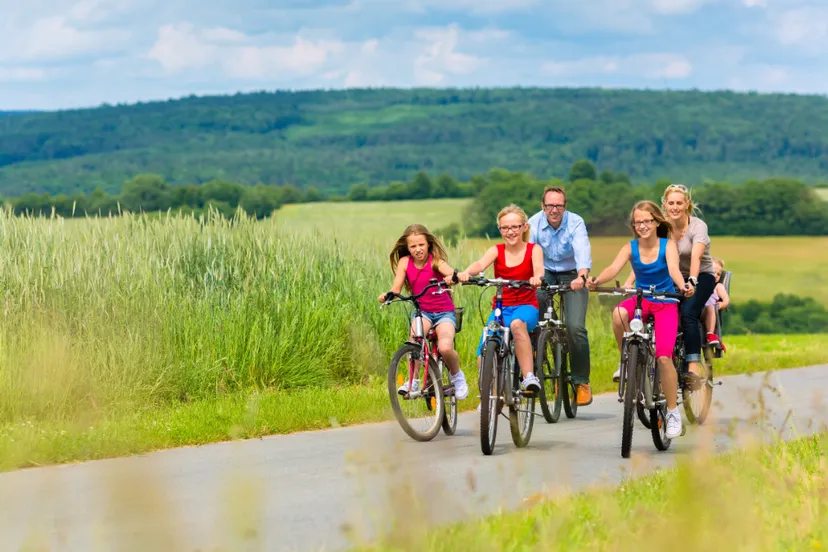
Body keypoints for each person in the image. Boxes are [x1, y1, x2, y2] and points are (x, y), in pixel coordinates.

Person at [587, 200, 694, 439]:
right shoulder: (630, 247)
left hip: (665, 302)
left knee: (664, 357)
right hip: (641, 300)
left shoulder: (668, 246)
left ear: (657, 222)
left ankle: (673, 413)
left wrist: (683, 286)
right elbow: (614, 269)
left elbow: (675, 270)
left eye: (647, 221)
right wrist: (597, 281)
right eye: (638, 222)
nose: (643, 226)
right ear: (633, 226)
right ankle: (625, 360)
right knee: (618, 314)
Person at [457, 204, 544, 395]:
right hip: (501, 307)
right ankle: (491, 395)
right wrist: (466, 273)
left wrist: (536, 277)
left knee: (516, 325)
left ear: (524, 227)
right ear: (499, 230)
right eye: (505, 228)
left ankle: (529, 376)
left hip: (526, 306)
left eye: (515, 227)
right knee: (485, 346)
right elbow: (480, 264)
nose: (510, 232)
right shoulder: (496, 250)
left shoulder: (533, 249)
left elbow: (538, 267)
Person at [379, 224, 469, 400]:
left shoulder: (436, 261)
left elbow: (450, 274)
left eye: (421, 245)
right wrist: (388, 296)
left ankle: (457, 376)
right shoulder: (405, 263)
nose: (418, 249)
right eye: (413, 246)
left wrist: (453, 278)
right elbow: (396, 287)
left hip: (444, 313)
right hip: (423, 312)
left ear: (428, 244)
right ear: (408, 248)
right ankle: (413, 380)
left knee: (444, 347)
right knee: (414, 341)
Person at [527, 186, 594, 406]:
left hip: (572, 272)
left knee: (575, 326)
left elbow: (582, 249)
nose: (554, 210)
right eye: (549, 206)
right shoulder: (534, 222)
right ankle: (545, 342)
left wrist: (582, 276)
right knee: (536, 301)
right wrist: (534, 276)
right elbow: (529, 251)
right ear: (542, 206)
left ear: (565, 206)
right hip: (544, 270)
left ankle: (581, 380)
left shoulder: (575, 222)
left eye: (558, 205)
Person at [661, 184, 717, 385]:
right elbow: (651, 254)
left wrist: (692, 281)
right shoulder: (662, 227)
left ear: (687, 205)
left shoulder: (697, 226)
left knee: (688, 313)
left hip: (702, 275)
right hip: (673, 275)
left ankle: (693, 365)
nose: (675, 207)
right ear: (665, 205)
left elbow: (696, 256)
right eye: (671, 203)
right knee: (661, 312)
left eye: (679, 203)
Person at [702, 257, 730, 347]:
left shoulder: (718, 286)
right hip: (694, 309)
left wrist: (723, 303)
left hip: (706, 311)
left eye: (718, 274)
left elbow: (726, 298)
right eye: (713, 272)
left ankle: (710, 334)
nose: (716, 275)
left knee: (711, 308)